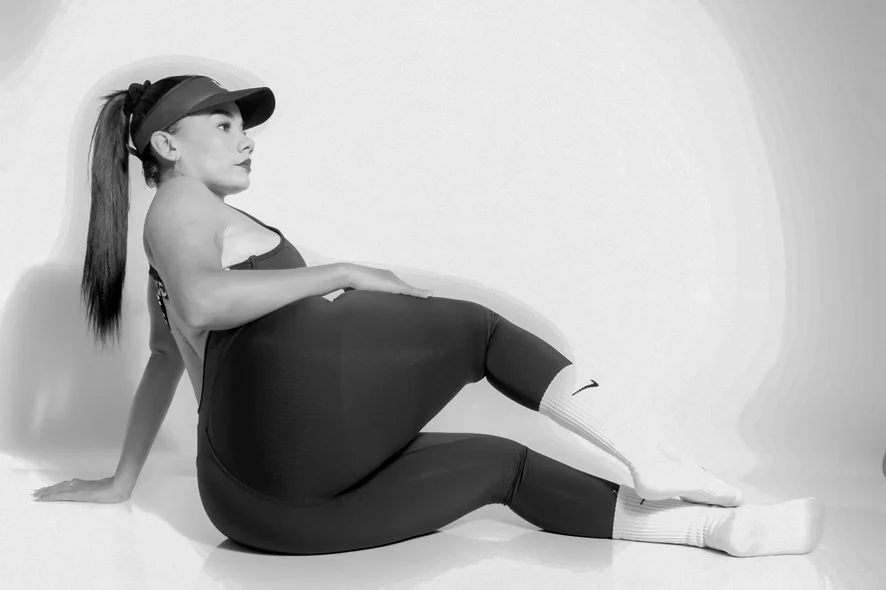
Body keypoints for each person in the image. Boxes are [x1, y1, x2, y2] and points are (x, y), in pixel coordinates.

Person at [32, 74, 824, 557]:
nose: (245, 141)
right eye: (223, 124)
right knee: (476, 331)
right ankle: (652, 456)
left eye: (244, 127)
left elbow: (166, 358)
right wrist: (339, 274)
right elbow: (205, 301)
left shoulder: (179, 229)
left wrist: (122, 481)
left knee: (501, 466)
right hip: (278, 466)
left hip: (266, 513)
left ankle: (708, 531)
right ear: (167, 146)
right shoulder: (182, 210)